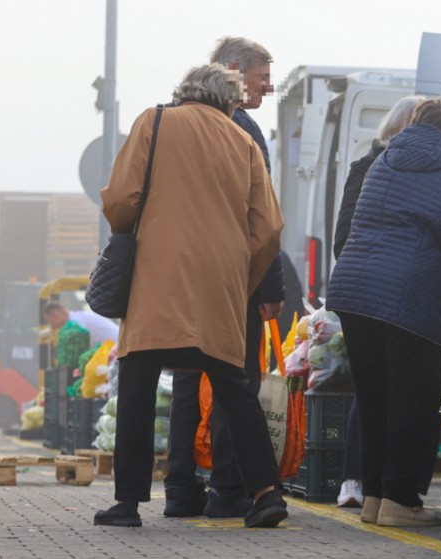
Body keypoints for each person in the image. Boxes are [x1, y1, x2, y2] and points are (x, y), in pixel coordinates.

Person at [94, 63, 287, 529]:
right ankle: (265, 493)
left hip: (156, 275)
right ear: (229, 101)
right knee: (233, 389)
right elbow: (268, 228)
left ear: (185, 92)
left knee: (138, 383)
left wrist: (132, 232)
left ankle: (128, 503)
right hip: (219, 283)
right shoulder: (243, 142)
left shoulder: (154, 121)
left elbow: (121, 197)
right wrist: (241, 275)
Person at [327, 97, 441, 527]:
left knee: (374, 401)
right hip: (411, 299)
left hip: (356, 294)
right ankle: (401, 502)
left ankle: (374, 499)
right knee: (414, 402)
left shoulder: (382, 163)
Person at [163, 37, 287, 520]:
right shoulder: (243, 131)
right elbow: (265, 219)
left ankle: (179, 488)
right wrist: (269, 287)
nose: (267, 87)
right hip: (234, 279)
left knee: (186, 381)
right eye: (261, 77)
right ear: (233, 71)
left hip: (180, 279)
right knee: (236, 381)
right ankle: (229, 487)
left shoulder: (169, 126)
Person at [331, 94, 425, 509]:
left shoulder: (412, 169)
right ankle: (361, 482)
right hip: (378, 293)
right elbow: (343, 236)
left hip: (375, 291)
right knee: (376, 391)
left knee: (380, 391)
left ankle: (374, 491)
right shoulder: (368, 166)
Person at [42, 302, 119, 348]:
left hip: (117, 348)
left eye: (50, 322)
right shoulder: (77, 317)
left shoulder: (76, 321)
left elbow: (79, 340)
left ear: (56, 315)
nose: (53, 327)